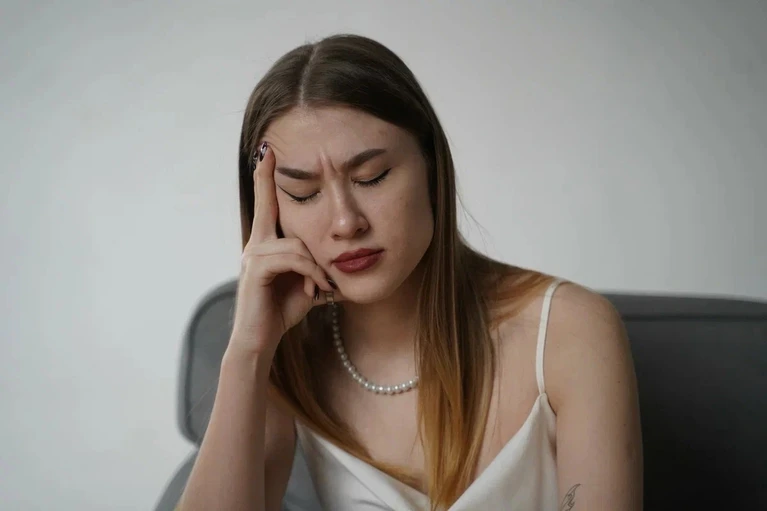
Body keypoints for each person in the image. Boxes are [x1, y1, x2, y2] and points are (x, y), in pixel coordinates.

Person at [177, 34, 643, 511]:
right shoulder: (289, 356)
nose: (345, 223)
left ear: (431, 169)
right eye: (303, 193)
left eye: (372, 177)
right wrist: (249, 353)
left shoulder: (570, 331)